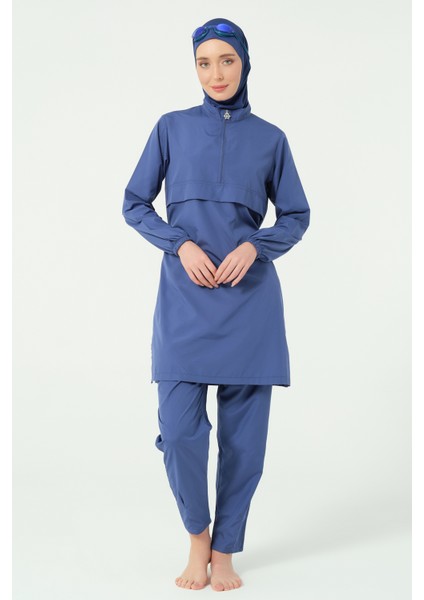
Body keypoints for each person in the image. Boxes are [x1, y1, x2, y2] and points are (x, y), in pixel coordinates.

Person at [122, 17, 311, 592]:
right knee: (180, 432)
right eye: (204, 63)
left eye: (226, 60)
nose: (216, 73)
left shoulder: (271, 139)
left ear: (245, 64)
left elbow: (297, 215)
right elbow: (134, 203)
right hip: (185, 303)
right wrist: (178, 244)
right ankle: (198, 538)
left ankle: (226, 550)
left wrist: (257, 245)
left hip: (250, 305)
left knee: (244, 444)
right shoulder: (171, 128)